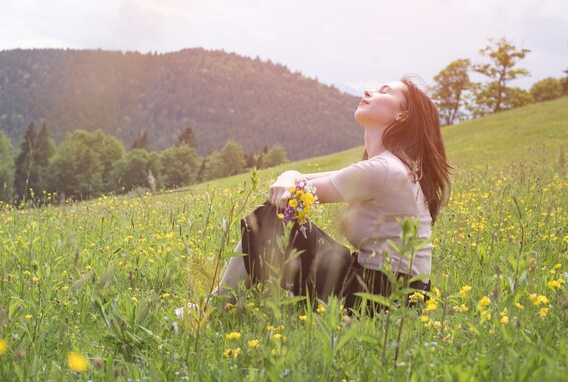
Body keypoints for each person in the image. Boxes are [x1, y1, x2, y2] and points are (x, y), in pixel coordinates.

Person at [175, 75, 451, 317]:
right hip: (393, 290)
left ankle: (214, 306)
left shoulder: (383, 170)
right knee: (280, 217)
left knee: (271, 216)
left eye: (384, 92)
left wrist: (288, 180)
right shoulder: (388, 166)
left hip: (383, 297)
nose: (369, 92)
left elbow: (295, 194)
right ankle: (225, 298)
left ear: (401, 115)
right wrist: (288, 175)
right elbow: (301, 180)